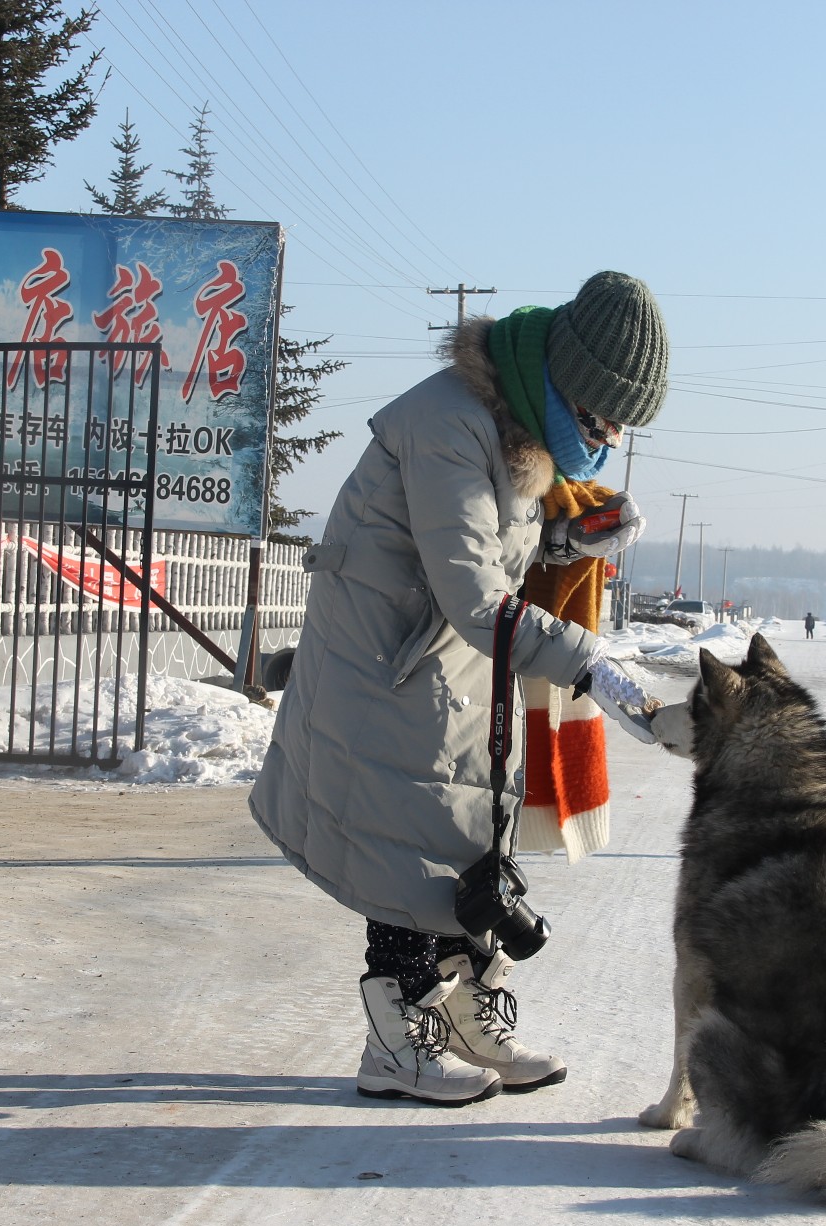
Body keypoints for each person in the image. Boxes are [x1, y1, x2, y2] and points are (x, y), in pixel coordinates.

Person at [250, 272, 669, 1106]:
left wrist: (563, 537)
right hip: (388, 659)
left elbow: (491, 543)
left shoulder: (515, 421)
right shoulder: (449, 423)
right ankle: (398, 1039)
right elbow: (473, 589)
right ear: (565, 382)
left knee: (469, 836)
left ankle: (467, 1012)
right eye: (602, 418)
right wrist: (591, 661)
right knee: (408, 844)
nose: (609, 440)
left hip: (436, 657)